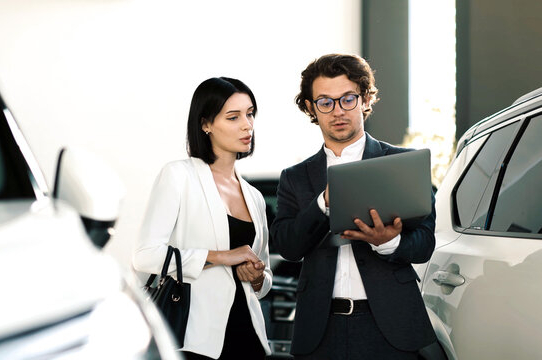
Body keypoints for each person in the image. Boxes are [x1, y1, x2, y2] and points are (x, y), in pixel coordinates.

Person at [270, 54, 437, 359]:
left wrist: (389, 243)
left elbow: (425, 244)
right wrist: (323, 204)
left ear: (365, 99)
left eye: (347, 99)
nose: (337, 111)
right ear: (310, 107)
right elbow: (289, 247)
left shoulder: (403, 164)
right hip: (320, 330)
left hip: (391, 326)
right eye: (325, 102)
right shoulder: (294, 178)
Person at [133, 77, 272, 360]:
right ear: (206, 124)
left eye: (250, 114)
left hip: (249, 338)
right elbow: (145, 256)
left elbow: (263, 279)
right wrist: (222, 256)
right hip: (196, 340)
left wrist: (256, 278)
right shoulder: (178, 176)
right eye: (233, 117)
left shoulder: (255, 196)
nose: (247, 125)